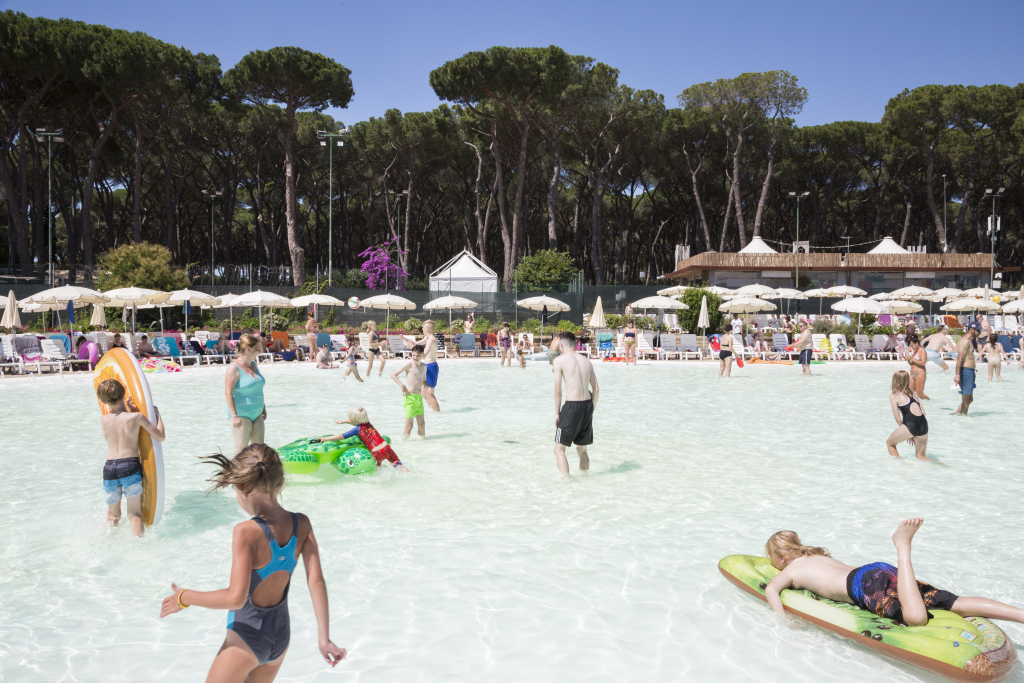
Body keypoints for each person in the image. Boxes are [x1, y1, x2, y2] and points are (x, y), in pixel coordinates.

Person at [159, 445, 347, 679]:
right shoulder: (302, 523)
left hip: (246, 639)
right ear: (280, 482)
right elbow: (316, 581)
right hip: (280, 639)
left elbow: (235, 599)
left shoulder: (246, 531)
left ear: (242, 488)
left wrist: (184, 597)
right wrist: (324, 639)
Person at [764, 519, 1024, 628]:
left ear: (782, 558)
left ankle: (903, 547)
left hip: (862, 584)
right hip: (874, 569)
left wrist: (783, 619)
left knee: (915, 618)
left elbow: (772, 590)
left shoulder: (792, 569)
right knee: (955, 603)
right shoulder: (817, 555)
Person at [97, 379, 166, 537]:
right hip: (129, 466)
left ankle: (106, 540)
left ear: (102, 400)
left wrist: (131, 410)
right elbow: (160, 436)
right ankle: (137, 547)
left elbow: (119, 424)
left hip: (109, 468)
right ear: (124, 393)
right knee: (134, 514)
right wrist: (157, 415)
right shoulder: (136, 417)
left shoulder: (104, 420)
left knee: (112, 516)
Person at [553, 331, 599, 477]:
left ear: (561, 344)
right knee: (582, 449)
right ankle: (585, 477)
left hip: (571, 407)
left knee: (559, 449)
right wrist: (592, 408)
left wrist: (557, 413)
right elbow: (596, 389)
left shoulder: (559, 360)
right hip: (587, 406)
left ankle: (567, 480)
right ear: (575, 343)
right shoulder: (586, 361)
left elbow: (558, 391)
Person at [311, 407, 409, 473]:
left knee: (376, 473)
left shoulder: (357, 430)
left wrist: (325, 438)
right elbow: (356, 422)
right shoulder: (368, 423)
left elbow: (342, 436)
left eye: (350, 419)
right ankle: (409, 474)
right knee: (399, 466)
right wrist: (345, 421)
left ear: (355, 421)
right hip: (387, 448)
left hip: (377, 452)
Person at [225, 334, 267, 454]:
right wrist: (234, 416)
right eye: (256, 348)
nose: (259, 350)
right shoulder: (233, 368)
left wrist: (263, 408)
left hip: (257, 413)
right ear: (248, 349)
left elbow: (258, 388)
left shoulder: (254, 364)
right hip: (241, 414)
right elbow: (228, 393)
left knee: (259, 450)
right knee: (241, 451)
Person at [886, 370, 934, 462]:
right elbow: (923, 413)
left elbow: (898, 419)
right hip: (923, 425)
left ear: (894, 380)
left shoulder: (894, 396)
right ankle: (942, 466)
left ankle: (899, 466)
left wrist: (908, 433)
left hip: (910, 425)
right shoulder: (913, 393)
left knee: (890, 443)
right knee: (921, 457)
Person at [403, 320, 440, 412]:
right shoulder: (427, 338)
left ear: (427, 328)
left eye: (423, 328)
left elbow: (424, 353)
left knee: (429, 393)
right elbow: (416, 344)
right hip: (428, 366)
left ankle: (437, 412)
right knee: (424, 392)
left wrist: (413, 350)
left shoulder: (431, 339)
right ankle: (433, 409)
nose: (422, 329)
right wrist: (404, 339)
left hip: (431, 367)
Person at [391, 345, 427, 438]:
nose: (415, 357)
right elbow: (393, 375)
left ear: (423, 355)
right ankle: (405, 443)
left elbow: (423, 380)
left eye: (418, 355)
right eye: (413, 355)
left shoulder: (424, 366)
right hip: (409, 398)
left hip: (419, 398)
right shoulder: (409, 365)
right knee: (409, 426)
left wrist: (430, 387)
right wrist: (402, 385)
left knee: (422, 424)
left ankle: (423, 442)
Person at [954, 322, 981, 414]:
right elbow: (959, 358)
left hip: (969, 371)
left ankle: (957, 415)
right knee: (966, 399)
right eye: (978, 330)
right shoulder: (965, 341)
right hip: (966, 371)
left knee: (969, 399)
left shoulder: (969, 341)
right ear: (971, 330)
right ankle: (963, 418)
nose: (979, 333)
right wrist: (957, 375)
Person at [903, 333, 929, 399]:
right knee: (911, 393)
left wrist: (911, 359)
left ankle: (931, 402)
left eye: (912, 345)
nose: (912, 347)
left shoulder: (922, 351)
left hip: (920, 373)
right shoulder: (915, 352)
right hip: (912, 373)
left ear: (917, 343)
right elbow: (912, 364)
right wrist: (908, 360)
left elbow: (923, 363)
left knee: (920, 394)